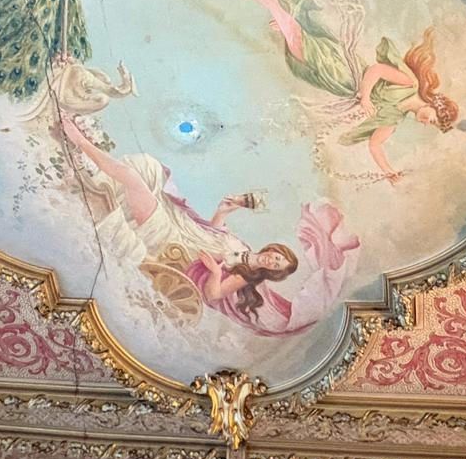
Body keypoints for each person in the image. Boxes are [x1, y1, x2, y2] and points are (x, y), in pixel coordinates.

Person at [56, 114, 358, 336]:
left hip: (174, 247)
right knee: (149, 168)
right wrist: (223, 211)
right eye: (278, 255)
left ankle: (79, 142)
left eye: (277, 265)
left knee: (135, 181)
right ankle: (92, 176)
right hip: (184, 229)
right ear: (273, 250)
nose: (273, 260)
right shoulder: (242, 247)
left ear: (274, 272)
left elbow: (213, 295)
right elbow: (212, 234)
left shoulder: (246, 276)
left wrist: (214, 271)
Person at [242, 0, 459, 182]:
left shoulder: (393, 119)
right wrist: (365, 97)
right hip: (349, 72)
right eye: (433, 119)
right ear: (434, 104)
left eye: (431, 125)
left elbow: (375, 145)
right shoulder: (410, 85)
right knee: (304, 50)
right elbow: (376, 70)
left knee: (300, 60)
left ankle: (285, 23)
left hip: (341, 87)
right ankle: (271, 2)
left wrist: (389, 173)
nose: (427, 123)